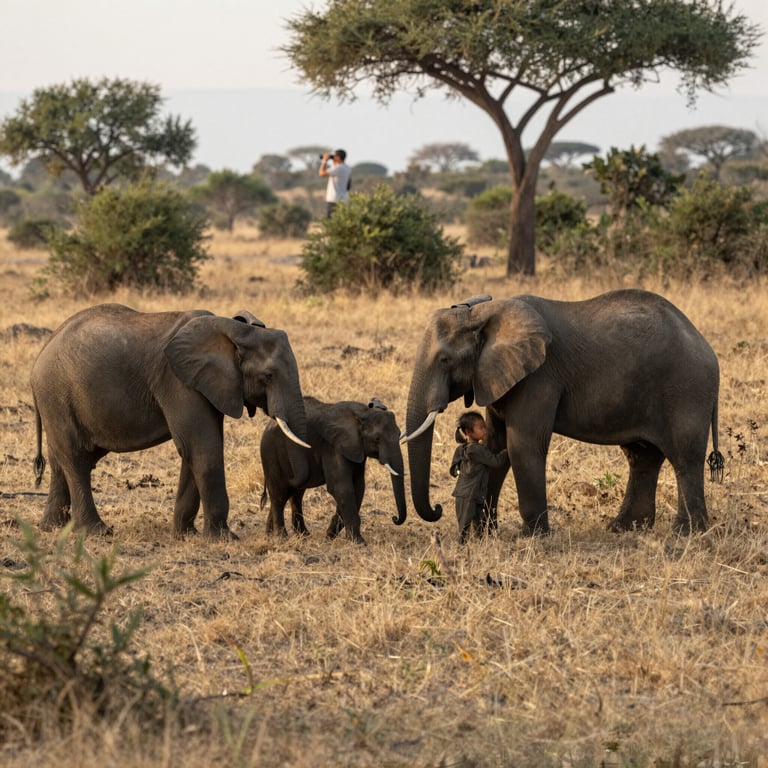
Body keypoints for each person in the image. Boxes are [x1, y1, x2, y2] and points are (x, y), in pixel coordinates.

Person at [450, 411, 509, 544]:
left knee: (473, 523)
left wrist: (461, 471)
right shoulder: (478, 450)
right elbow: (496, 462)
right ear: (468, 432)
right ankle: (462, 548)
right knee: (467, 527)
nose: (485, 430)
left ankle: (475, 546)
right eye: (481, 428)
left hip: (467, 493)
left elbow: (453, 470)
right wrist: (507, 451)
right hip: (470, 494)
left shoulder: (461, 449)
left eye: (484, 427)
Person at [319, 149, 351, 217]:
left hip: (334, 200)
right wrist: (334, 161)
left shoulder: (338, 168)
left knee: (331, 222)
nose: (333, 158)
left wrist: (324, 160)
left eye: (334, 156)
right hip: (343, 199)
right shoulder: (347, 168)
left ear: (338, 157)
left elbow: (321, 173)